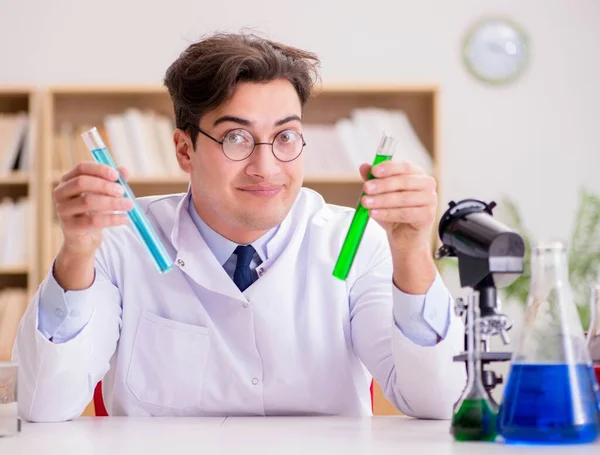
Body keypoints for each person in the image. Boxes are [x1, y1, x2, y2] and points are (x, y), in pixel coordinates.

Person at [13, 32, 466, 422]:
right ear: (185, 150)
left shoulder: (355, 242)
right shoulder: (122, 242)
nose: (266, 167)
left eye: (286, 136)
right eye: (236, 138)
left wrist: (410, 252)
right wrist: (75, 253)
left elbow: (438, 401)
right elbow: (44, 405)